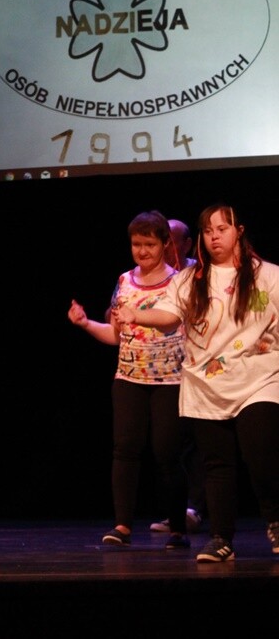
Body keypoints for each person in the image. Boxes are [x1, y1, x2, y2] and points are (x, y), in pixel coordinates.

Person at [115, 203, 279, 563]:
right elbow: (169, 316)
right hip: (207, 382)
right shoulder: (190, 280)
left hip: (260, 379)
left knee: (261, 454)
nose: (214, 236)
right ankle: (221, 539)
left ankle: (275, 518)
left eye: (222, 229)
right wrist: (136, 314)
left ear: (239, 232)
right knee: (217, 464)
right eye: (207, 231)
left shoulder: (269, 275)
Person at [68, 210, 191, 550]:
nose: (142, 251)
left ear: (165, 244)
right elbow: (116, 334)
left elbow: (171, 320)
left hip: (169, 380)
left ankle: (177, 527)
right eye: (137, 244)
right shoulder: (124, 281)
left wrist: (138, 315)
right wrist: (85, 324)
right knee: (125, 450)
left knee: (167, 453)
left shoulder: (180, 281)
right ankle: (122, 525)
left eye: (149, 244)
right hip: (129, 378)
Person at [149, 218, 207, 533]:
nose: (168, 246)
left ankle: (194, 509)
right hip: (164, 370)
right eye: (164, 239)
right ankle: (176, 512)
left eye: (173, 240)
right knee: (172, 444)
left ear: (186, 244)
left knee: (197, 441)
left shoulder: (197, 274)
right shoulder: (151, 276)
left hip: (197, 365)